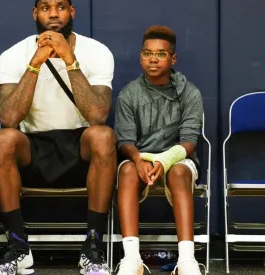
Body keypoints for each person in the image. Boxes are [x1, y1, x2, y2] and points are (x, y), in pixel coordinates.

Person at [0, 0, 116, 274]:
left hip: (79, 148)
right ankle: (18, 247)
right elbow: (9, 118)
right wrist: (35, 63)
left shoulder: (97, 52)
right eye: (46, 7)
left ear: (72, 12)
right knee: (3, 138)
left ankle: (93, 248)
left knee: (103, 135)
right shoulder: (13, 55)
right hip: (34, 149)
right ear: (35, 14)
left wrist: (69, 59)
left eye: (61, 6)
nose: (54, 13)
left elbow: (97, 115)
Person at [114, 25, 204, 275]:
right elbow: (125, 141)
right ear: (140, 56)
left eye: (161, 54)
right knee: (128, 172)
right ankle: (132, 259)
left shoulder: (190, 93)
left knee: (177, 173)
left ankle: (187, 260)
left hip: (178, 160)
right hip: (140, 159)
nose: (153, 59)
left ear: (172, 58)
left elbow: (189, 142)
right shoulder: (129, 94)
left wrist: (165, 161)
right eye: (147, 53)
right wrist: (138, 158)